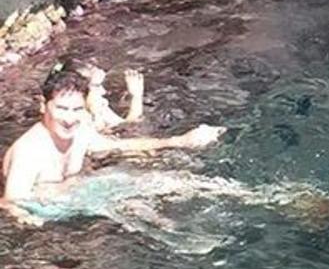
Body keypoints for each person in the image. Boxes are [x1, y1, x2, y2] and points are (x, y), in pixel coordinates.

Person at [1, 68, 226, 224]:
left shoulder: (81, 131)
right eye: (61, 109)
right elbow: (11, 202)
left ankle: (246, 194)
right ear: (44, 106)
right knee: (138, 210)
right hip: (50, 206)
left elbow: (121, 146)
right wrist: (28, 219)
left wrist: (179, 141)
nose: (69, 119)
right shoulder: (28, 152)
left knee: (166, 181)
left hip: (81, 191)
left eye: (76, 110)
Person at [65, 61, 145, 132]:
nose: (103, 91)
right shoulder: (73, 120)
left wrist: (136, 96)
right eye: (96, 86)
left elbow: (125, 126)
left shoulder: (99, 107)